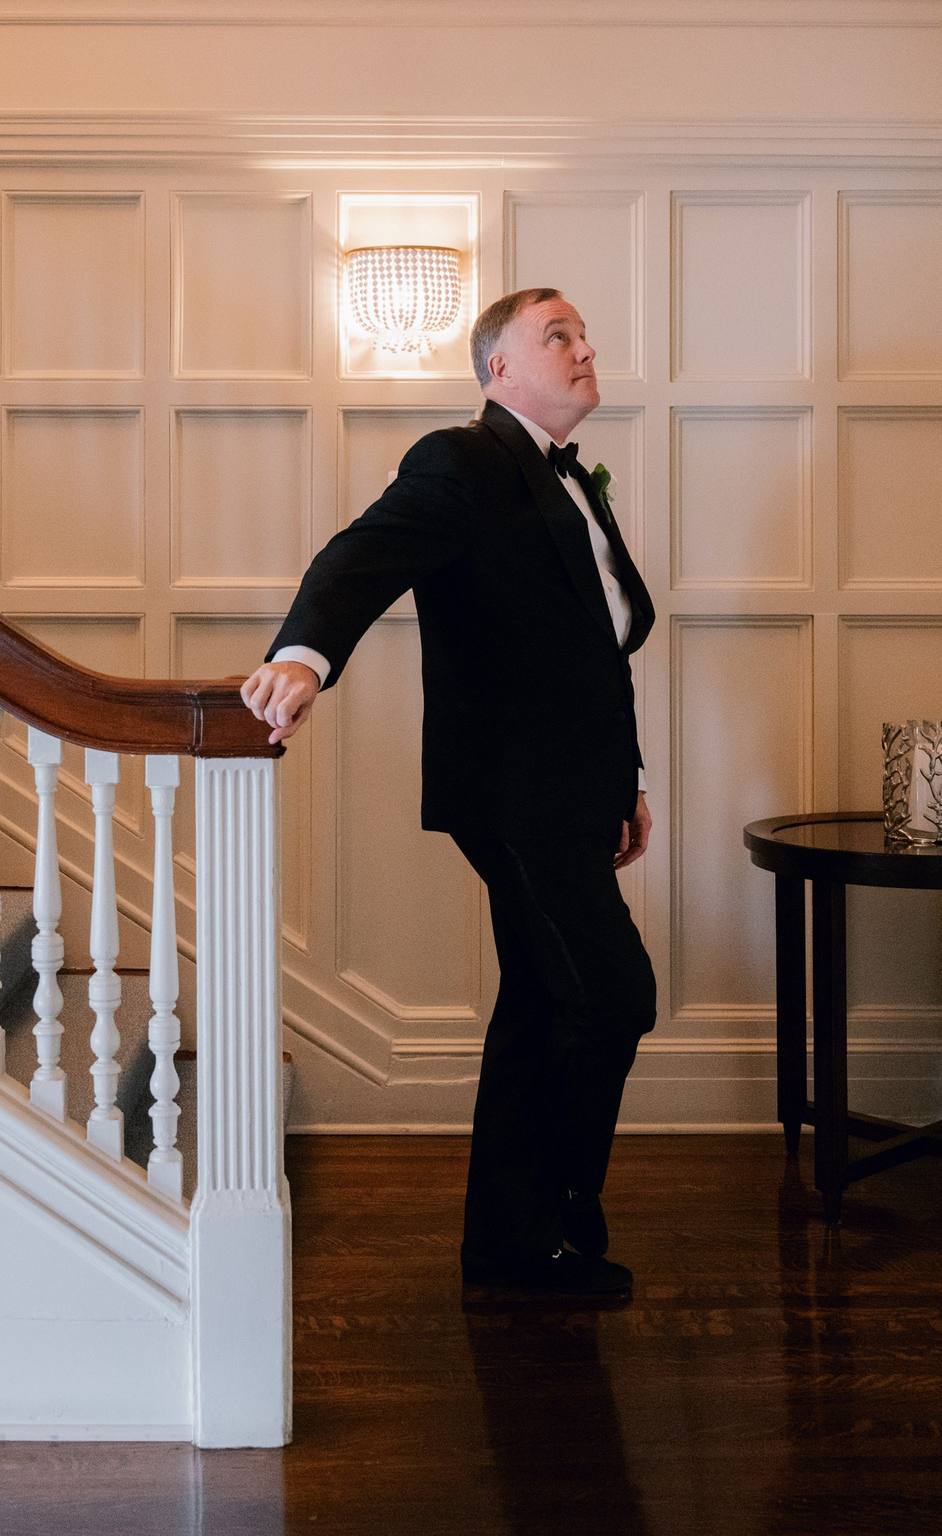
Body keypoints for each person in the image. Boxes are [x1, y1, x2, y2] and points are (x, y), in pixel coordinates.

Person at [241, 287, 656, 1296]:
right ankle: (551, 1218)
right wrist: (303, 655)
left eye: (582, 331)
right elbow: (364, 554)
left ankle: (506, 1245)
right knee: (610, 993)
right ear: (497, 370)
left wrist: (625, 780)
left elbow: (597, 655)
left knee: (542, 999)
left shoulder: (571, 484)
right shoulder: (464, 459)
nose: (585, 346)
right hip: (513, 792)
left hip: (574, 789)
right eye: (558, 335)